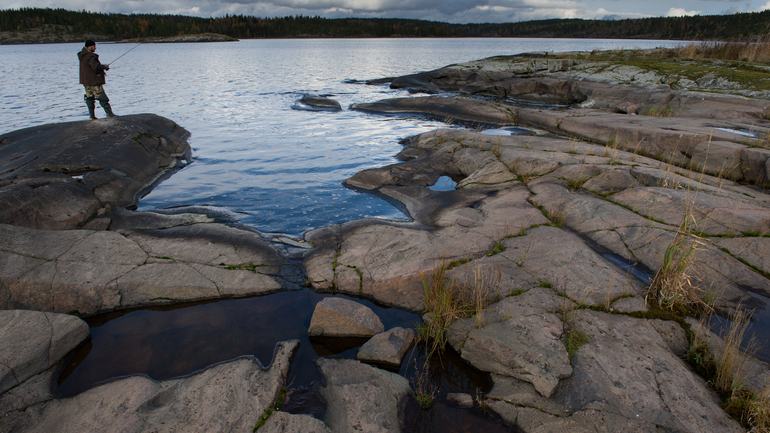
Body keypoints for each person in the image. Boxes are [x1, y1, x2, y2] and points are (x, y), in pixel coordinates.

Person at [78, 40, 115, 120]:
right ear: (90, 46)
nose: (95, 48)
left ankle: (92, 116)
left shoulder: (83, 56)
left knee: (90, 98)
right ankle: (109, 114)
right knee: (102, 97)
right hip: (94, 81)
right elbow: (96, 67)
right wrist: (104, 67)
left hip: (86, 81)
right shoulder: (90, 56)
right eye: (94, 46)